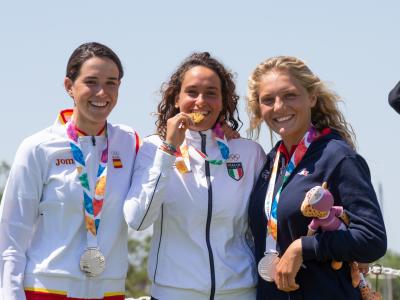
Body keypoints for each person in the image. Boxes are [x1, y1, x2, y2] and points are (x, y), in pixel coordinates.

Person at [0, 42, 140, 300]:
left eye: (111, 82)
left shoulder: (130, 143)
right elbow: (10, 241)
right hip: (45, 290)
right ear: (69, 86)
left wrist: (225, 133)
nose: (102, 92)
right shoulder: (38, 147)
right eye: (91, 82)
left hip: (109, 292)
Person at [123, 52, 266, 300]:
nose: (201, 101)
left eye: (211, 93)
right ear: (177, 98)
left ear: (224, 102)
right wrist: (168, 150)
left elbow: (265, 225)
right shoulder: (152, 148)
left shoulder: (248, 152)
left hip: (240, 292)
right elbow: (138, 219)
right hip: (174, 293)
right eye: (192, 92)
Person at [246, 56, 387, 299]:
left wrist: (304, 247)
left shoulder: (337, 157)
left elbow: (372, 239)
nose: (279, 106)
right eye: (268, 100)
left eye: (289, 95)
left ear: (311, 97)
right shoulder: (271, 162)